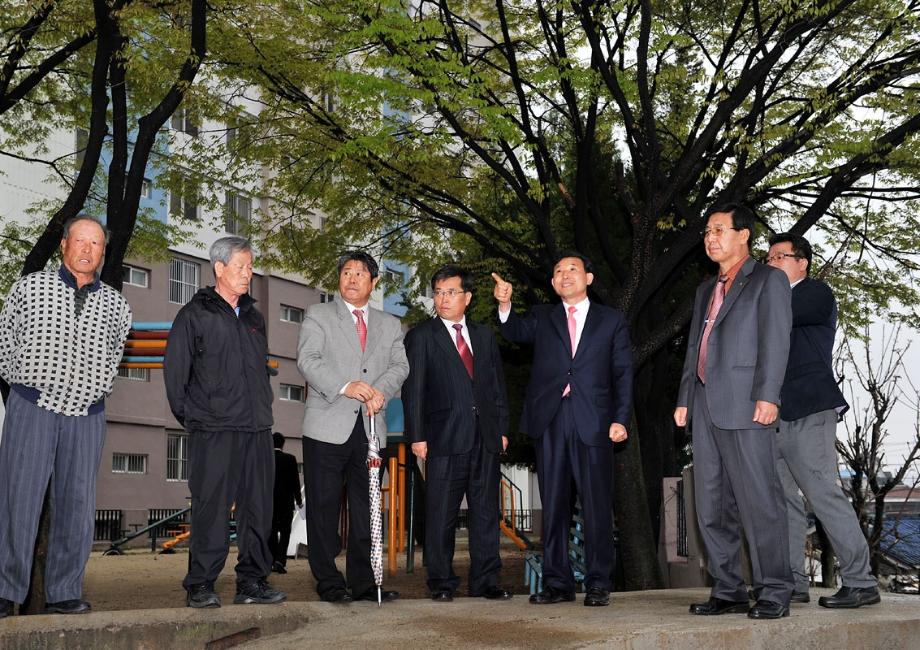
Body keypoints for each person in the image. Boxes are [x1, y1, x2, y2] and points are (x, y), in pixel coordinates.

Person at [0, 216, 131, 617]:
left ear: (104, 253)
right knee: (17, 501)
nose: (87, 249)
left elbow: (113, 359)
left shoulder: (117, 305)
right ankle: (7, 592)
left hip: (86, 416)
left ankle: (63, 592)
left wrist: (86, 393)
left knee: (77, 505)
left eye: (96, 244)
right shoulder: (29, 288)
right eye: (80, 241)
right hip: (32, 408)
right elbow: (6, 347)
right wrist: (32, 387)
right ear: (63, 245)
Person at [673, 203, 794, 620]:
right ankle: (728, 589)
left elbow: (776, 341)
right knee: (711, 502)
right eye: (707, 230)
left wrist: (768, 395)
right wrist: (685, 397)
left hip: (747, 403)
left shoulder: (768, 280)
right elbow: (694, 348)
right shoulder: (705, 290)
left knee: (759, 499)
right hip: (705, 404)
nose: (710, 237)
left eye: (719, 229)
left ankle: (775, 589)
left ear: (743, 235)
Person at [492, 252, 632, 607]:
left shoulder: (610, 321)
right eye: (557, 271)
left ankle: (599, 583)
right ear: (553, 284)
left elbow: (622, 373)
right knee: (553, 505)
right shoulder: (543, 317)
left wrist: (620, 418)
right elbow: (514, 330)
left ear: (589, 278)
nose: (565, 275)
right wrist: (505, 304)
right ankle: (557, 583)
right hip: (551, 419)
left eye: (573, 269)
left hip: (595, 422)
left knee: (597, 505)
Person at [164, 236, 284, 608]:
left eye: (250, 267)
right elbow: (175, 375)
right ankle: (200, 584)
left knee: (258, 510)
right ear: (219, 268)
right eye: (241, 267)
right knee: (211, 509)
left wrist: (262, 407)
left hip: (257, 428)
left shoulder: (253, 316)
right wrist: (198, 418)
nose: (248, 274)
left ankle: (252, 582)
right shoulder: (194, 314)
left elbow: (260, 371)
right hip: (213, 429)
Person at [766, 233, 880, 608]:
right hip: (772, 415)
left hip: (809, 409)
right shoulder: (769, 301)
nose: (773, 262)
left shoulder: (815, 293)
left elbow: (780, 318)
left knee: (822, 494)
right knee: (782, 500)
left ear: (803, 263)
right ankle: (794, 582)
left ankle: (861, 582)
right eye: (768, 258)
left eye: (781, 256)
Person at [297, 251, 409, 603]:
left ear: (374, 282)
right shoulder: (319, 315)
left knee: (367, 509)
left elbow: (399, 366)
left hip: (371, 429)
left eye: (360, 273)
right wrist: (346, 386)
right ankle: (329, 582)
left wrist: (381, 391)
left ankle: (364, 583)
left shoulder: (391, 324)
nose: (352, 278)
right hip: (326, 427)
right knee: (323, 507)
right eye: (346, 272)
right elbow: (307, 360)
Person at [403, 265, 512, 602]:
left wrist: (503, 428)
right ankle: (441, 583)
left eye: (450, 292)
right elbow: (414, 389)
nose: (443, 298)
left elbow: (496, 386)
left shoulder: (483, 335)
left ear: (467, 297)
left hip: (485, 437)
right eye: (438, 292)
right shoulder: (421, 336)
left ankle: (485, 581)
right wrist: (417, 435)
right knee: (440, 515)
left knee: (485, 513)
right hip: (443, 437)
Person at [269, 431, 303, 574]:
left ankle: (270, 560)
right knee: (285, 533)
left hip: (269, 503)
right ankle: (280, 561)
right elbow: (295, 481)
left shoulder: (266, 459)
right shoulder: (290, 459)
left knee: (270, 532)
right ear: (283, 444)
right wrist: (299, 501)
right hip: (286, 504)